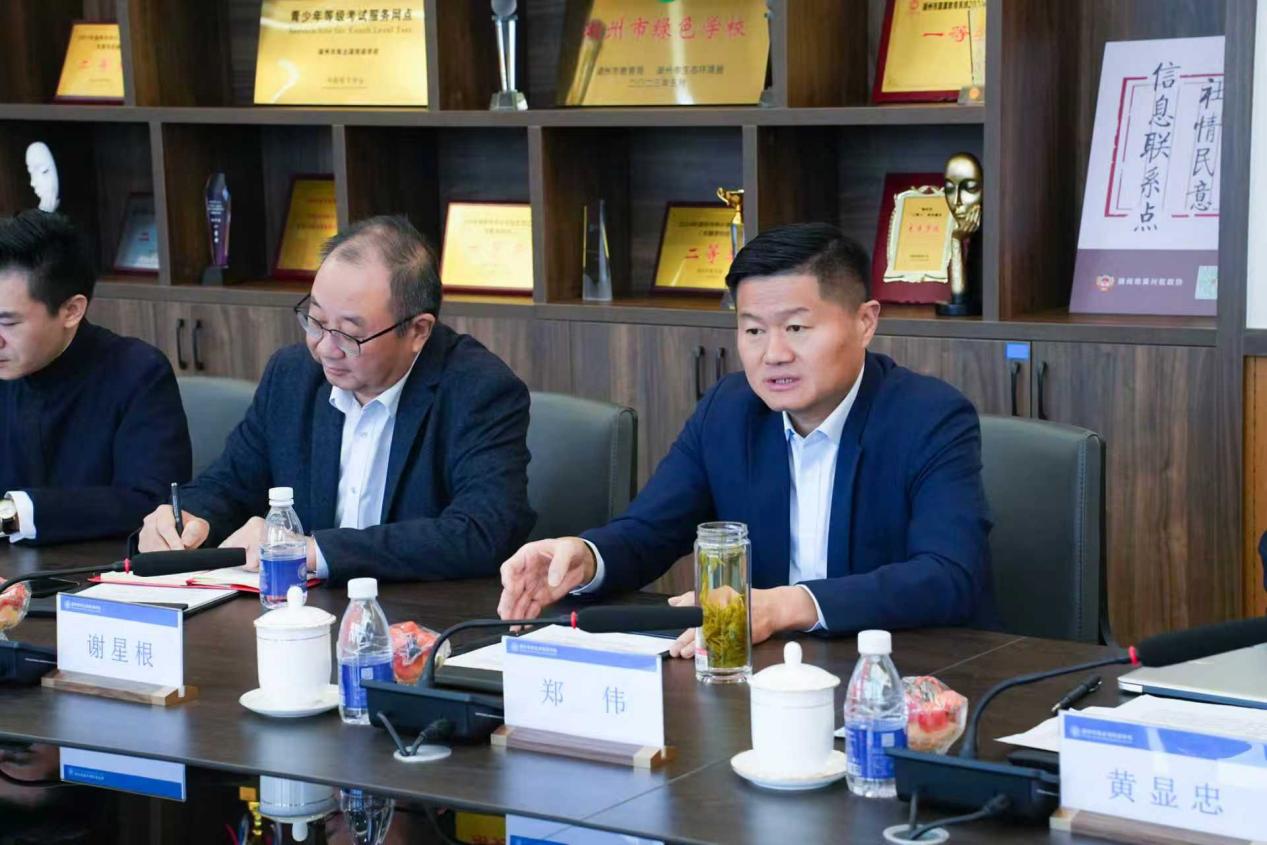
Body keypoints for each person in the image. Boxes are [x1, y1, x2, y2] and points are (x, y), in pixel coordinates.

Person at [498, 223, 996, 652]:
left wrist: (786, 605)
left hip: (892, 676)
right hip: (758, 672)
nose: (773, 354)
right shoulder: (730, 410)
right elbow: (650, 531)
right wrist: (585, 557)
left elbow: (949, 575)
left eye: (796, 328)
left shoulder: (928, 417)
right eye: (753, 331)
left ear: (865, 322)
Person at [137, 215, 534, 583]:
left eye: (349, 334)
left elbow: (482, 532)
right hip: (299, 608)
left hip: (420, 615)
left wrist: (311, 551)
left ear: (418, 331)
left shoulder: (479, 390)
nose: (325, 348)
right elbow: (230, 483)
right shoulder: (292, 375)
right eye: (316, 321)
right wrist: (188, 517)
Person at [0, 211, 191, 545]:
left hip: (98, 569)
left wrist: (14, 514)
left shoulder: (138, 372)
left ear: (72, 311)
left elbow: (152, 503)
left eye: (9, 323)